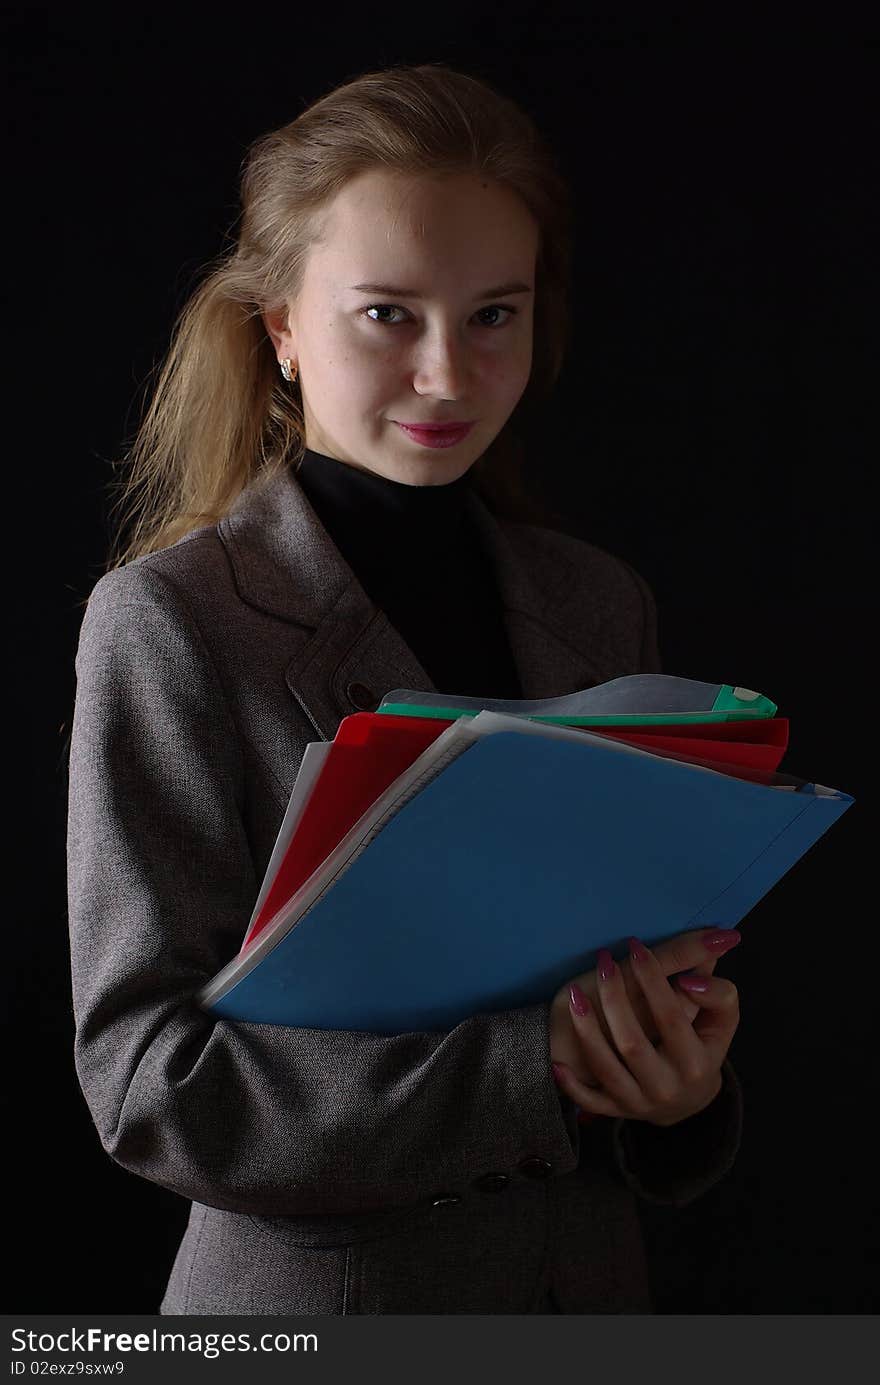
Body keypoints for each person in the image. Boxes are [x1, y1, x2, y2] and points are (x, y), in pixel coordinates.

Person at [66, 62, 744, 1316]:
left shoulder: (601, 603)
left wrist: (673, 1081)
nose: (446, 372)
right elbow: (149, 1080)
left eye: (494, 314)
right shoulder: (170, 622)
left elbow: (636, 983)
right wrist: (533, 1067)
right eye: (387, 314)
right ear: (278, 325)